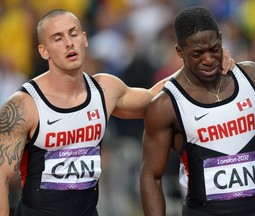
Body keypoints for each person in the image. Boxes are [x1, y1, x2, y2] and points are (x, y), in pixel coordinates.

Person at [0, 9, 234, 216]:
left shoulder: (105, 90)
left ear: (84, 39)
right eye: (58, 38)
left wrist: (204, 61)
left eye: (73, 34)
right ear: (43, 51)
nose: (69, 43)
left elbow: (157, 99)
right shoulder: (24, 105)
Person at [139, 6, 255, 216]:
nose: (208, 59)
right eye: (197, 54)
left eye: (214, 49)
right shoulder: (166, 104)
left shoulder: (252, 78)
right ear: (180, 51)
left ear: (221, 39)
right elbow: (151, 177)